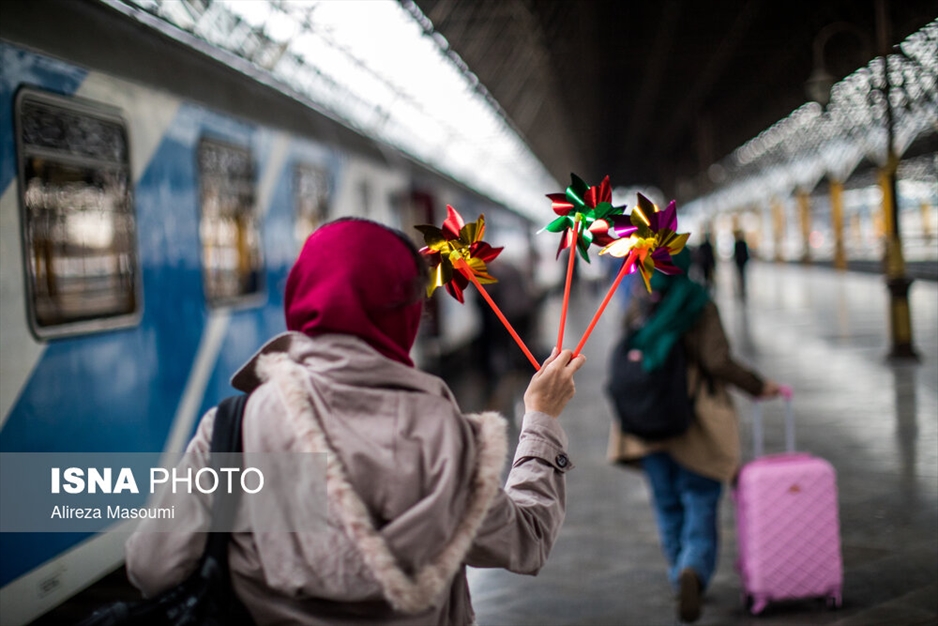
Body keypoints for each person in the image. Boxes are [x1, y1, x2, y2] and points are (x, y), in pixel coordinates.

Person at [125, 217, 586, 625]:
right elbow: (526, 539)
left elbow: (153, 567)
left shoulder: (235, 428)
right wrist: (541, 419)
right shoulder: (447, 437)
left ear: (300, 296)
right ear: (407, 313)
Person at [606, 249, 779, 623]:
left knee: (666, 503)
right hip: (694, 420)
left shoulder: (639, 299)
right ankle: (694, 568)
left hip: (644, 422)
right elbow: (717, 360)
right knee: (699, 498)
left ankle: (677, 572)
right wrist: (758, 385)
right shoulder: (698, 303)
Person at [732, 230, 750, 300]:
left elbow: (745, 252)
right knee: (740, 274)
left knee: (742, 274)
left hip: (742, 261)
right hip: (739, 261)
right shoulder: (737, 244)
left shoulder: (743, 243)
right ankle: (740, 285)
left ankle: (742, 286)